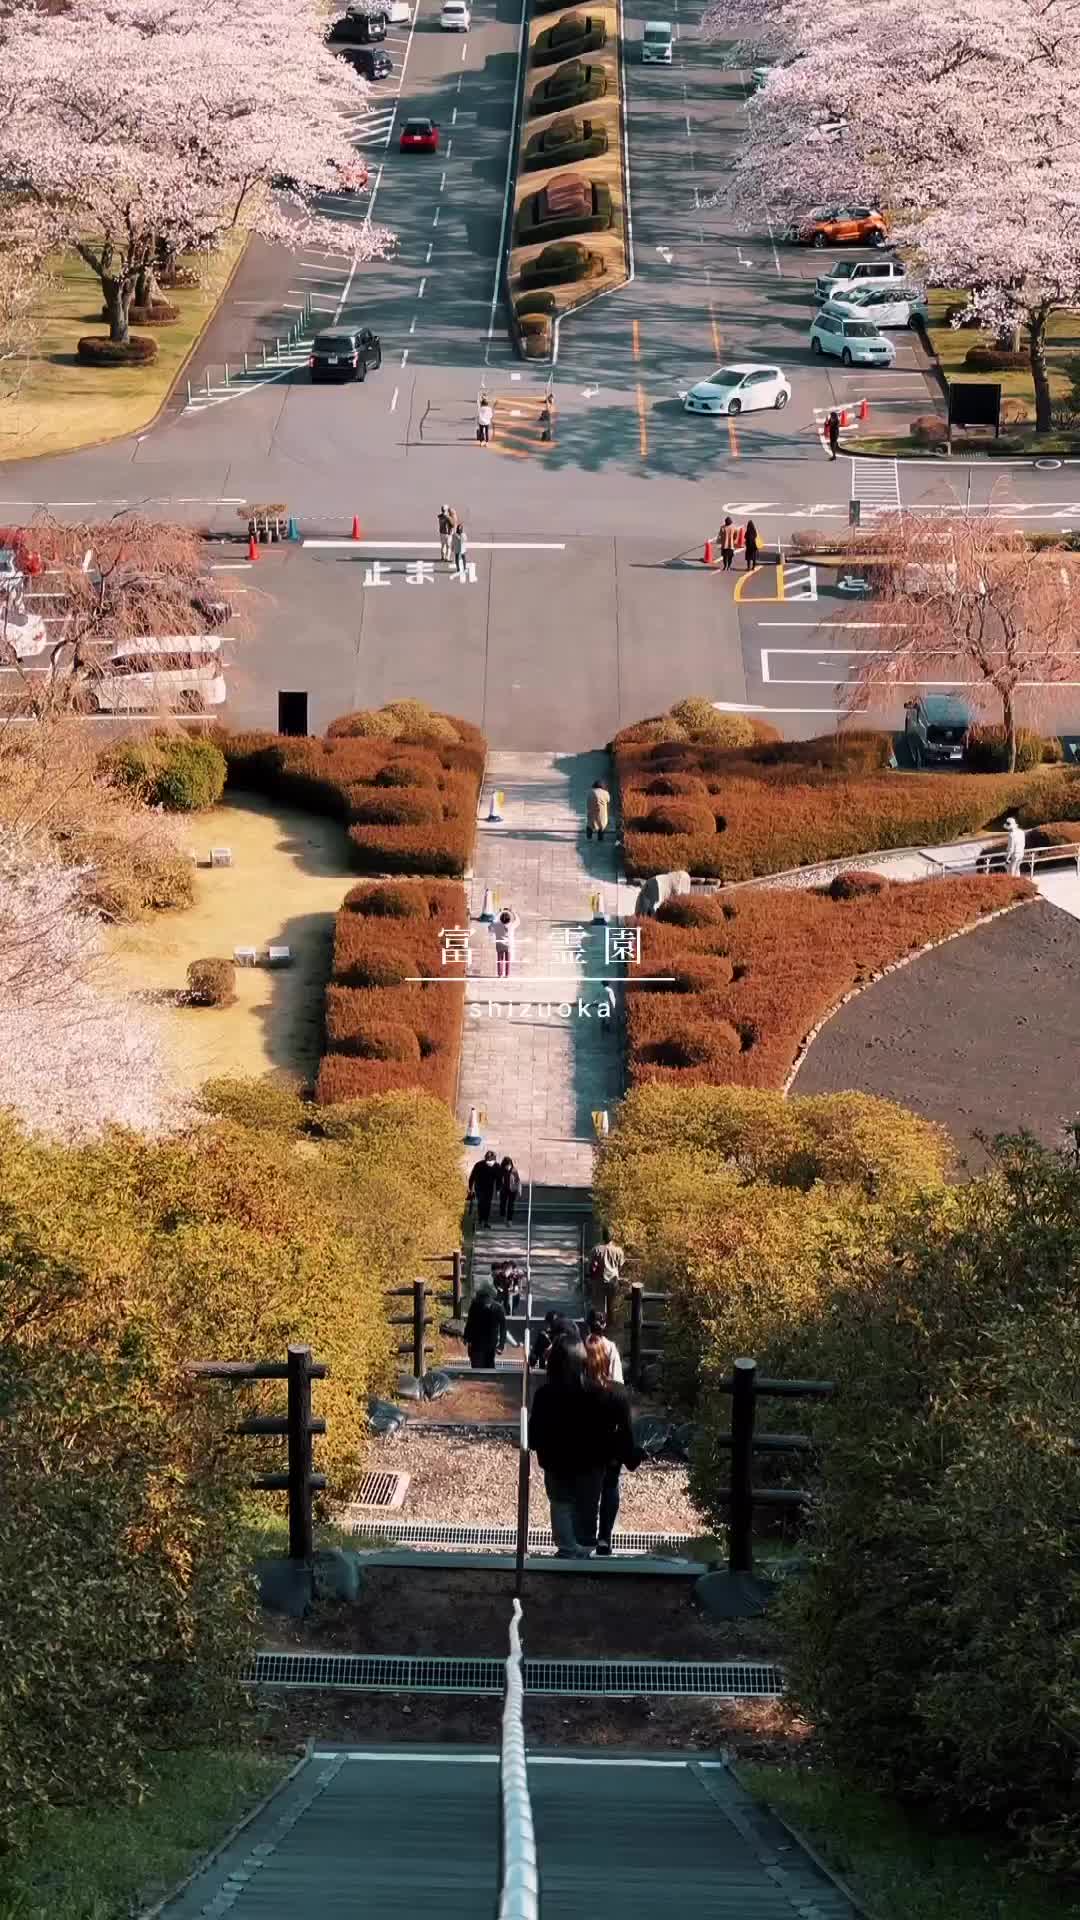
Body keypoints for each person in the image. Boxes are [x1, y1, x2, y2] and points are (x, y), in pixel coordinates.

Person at [528, 1336, 640, 1556]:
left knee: (560, 1504)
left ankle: (567, 1549)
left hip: (555, 1464)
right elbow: (624, 1435)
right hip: (592, 1465)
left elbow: (533, 1437)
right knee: (587, 1510)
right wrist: (630, 1457)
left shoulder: (544, 1395)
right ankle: (585, 1549)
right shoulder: (610, 1393)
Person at [463, 1281, 506, 1369]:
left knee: (489, 1364)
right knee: (477, 1365)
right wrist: (466, 1337)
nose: (483, 1300)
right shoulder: (475, 1306)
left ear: (490, 1297)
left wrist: (501, 1345)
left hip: (490, 1343)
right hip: (477, 1342)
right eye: (481, 1298)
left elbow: (503, 1328)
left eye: (485, 1298)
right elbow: (470, 1322)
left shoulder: (498, 1309)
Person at [588, 1230, 625, 1311]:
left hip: (600, 1281)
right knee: (611, 1307)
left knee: (600, 1307)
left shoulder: (596, 1250)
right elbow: (620, 1266)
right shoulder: (619, 1251)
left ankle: (601, 1322)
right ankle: (610, 1322)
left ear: (603, 1237)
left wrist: (592, 1277)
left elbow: (592, 1267)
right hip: (613, 1281)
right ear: (612, 1237)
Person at [584, 1307, 623, 1385]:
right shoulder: (611, 1347)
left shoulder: (582, 1344)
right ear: (604, 1325)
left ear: (588, 1325)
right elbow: (616, 1379)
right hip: (605, 1392)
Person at [468, 1148, 500, 1227]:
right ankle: (480, 1220)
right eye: (488, 1160)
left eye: (491, 1161)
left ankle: (485, 1221)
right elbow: (472, 1177)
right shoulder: (479, 1165)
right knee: (481, 1203)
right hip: (479, 1187)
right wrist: (470, 1188)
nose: (489, 1162)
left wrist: (498, 1189)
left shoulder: (496, 1166)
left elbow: (499, 1179)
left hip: (489, 1188)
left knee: (488, 1204)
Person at [492, 906, 520, 979]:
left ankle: (500, 974)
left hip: (499, 944)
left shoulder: (497, 925)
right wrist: (512, 912)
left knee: (500, 960)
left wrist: (499, 912)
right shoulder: (511, 925)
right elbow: (517, 921)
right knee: (507, 960)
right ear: (509, 919)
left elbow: (493, 920)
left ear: (500, 919)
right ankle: (507, 974)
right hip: (508, 945)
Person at [586, 778, 610, 842]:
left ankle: (589, 834)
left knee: (590, 822)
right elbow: (608, 800)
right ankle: (600, 837)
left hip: (591, 810)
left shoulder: (590, 792)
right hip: (601, 811)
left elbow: (587, 800)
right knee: (601, 824)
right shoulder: (605, 793)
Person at [498, 1155, 521, 1222]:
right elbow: (499, 1180)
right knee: (502, 1204)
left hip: (512, 1190)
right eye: (507, 1165)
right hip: (504, 1190)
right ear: (504, 1165)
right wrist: (498, 1190)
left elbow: (518, 1180)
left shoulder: (514, 1170)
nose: (508, 1167)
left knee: (511, 1205)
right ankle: (502, 1216)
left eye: (509, 1165)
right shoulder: (501, 1170)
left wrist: (519, 1190)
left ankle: (509, 1219)